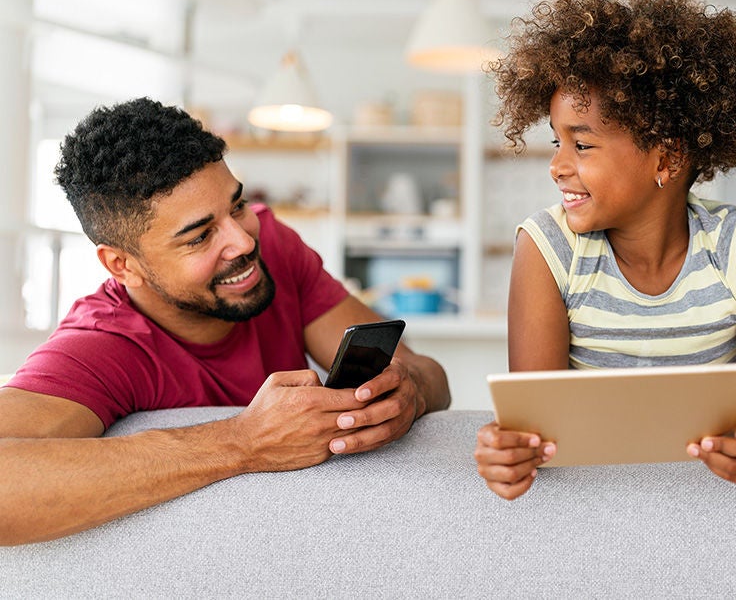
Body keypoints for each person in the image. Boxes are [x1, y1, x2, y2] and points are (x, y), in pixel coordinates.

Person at [0, 98, 451, 545]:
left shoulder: (274, 244)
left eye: (237, 206)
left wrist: (407, 393)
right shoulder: (102, 344)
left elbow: (432, 375)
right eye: (200, 236)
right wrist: (243, 442)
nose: (243, 240)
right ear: (122, 265)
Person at [473, 0, 736, 499]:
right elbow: (532, 428)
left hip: (722, 512)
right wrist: (510, 453)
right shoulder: (546, 249)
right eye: (556, 140)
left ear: (666, 158)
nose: (557, 166)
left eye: (582, 144)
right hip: (589, 509)